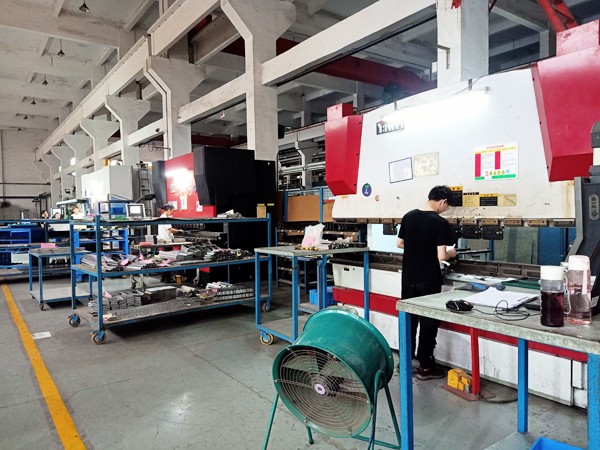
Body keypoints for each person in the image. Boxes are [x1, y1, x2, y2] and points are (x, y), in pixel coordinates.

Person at [397, 185, 457, 380]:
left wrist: (417, 246)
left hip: (409, 278)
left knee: (409, 320)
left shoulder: (408, 216)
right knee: (428, 322)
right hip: (429, 279)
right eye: (447, 206)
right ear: (443, 201)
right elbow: (442, 256)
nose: (445, 210)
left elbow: (399, 243)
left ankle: (404, 363)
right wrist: (453, 253)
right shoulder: (439, 222)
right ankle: (425, 366)